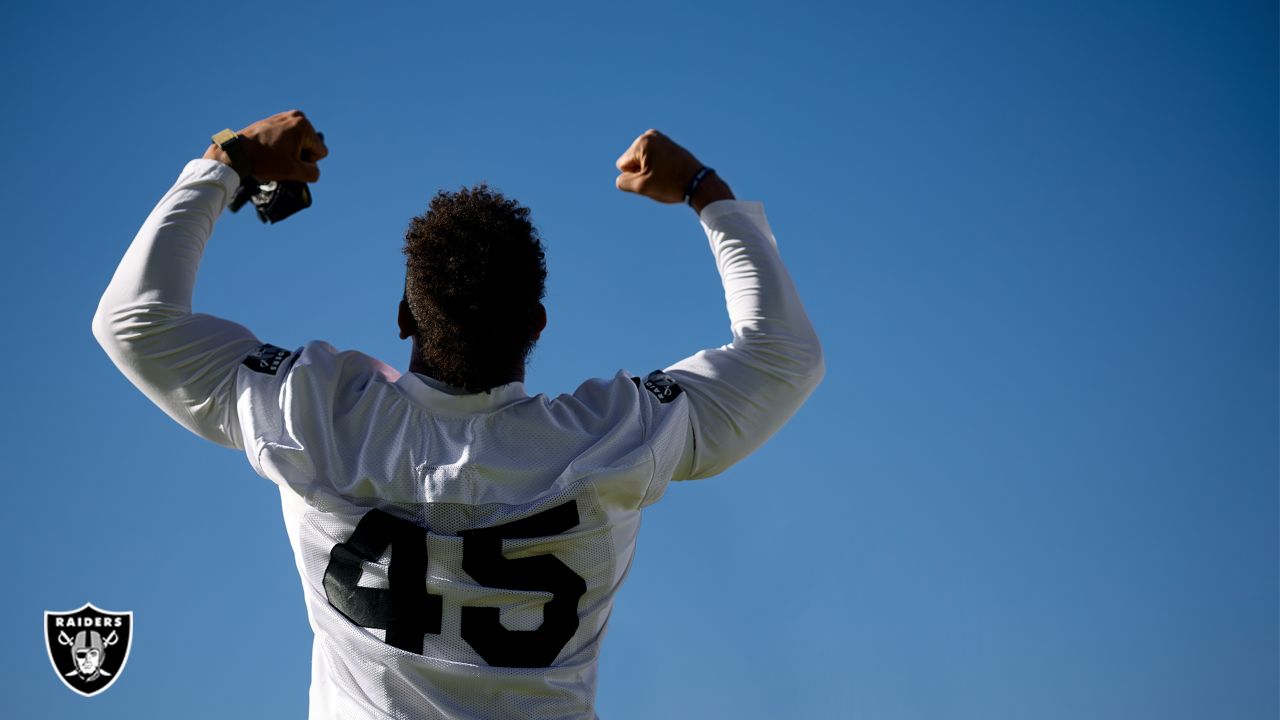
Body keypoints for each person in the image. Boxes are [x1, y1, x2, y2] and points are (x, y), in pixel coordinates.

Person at [93, 109, 824, 720]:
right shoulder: (616, 438)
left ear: (405, 316)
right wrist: (706, 190)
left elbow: (132, 322)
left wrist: (229, 161)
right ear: (538, 322)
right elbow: (784, 354)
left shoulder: (311, 412)